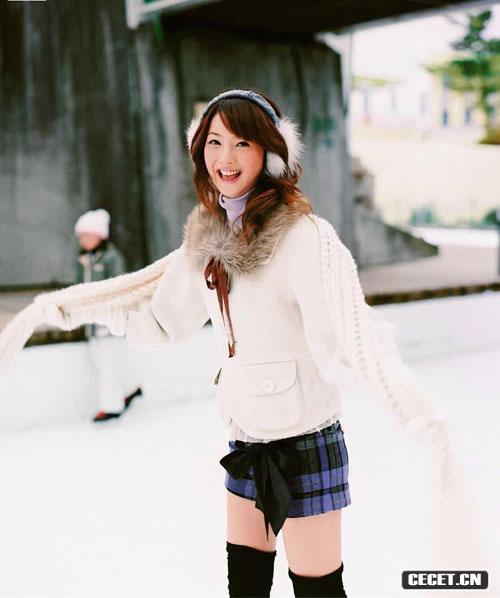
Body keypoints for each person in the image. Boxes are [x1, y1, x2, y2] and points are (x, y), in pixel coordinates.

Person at [0, 89, 478, 597]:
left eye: (242, 142)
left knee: (317, 591)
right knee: (244, 587)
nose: (225, 158)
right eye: (214, 142)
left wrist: (407, 400)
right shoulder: (207, 241)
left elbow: (344, 335)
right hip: (246, 441)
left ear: (270, 153)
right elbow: (160, 320)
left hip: (305, 444)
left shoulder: (304, 237)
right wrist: (81, 307)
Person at [74, 209, 142, 422]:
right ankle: (130, 389)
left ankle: (112, 406)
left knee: (108, 364)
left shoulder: (111, 258)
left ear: (100, 236)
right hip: (92, 323)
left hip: (108, 323)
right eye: (81, 236)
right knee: (102, 362)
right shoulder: (84, 260)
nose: (84, 240)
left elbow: (119, 285)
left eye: (88, 235)